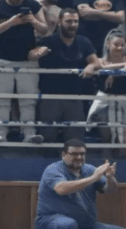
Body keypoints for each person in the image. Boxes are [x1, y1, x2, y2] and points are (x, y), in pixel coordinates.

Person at [35, 139, 126, 229]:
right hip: (50, 222)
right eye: (74, 154)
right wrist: (94, 178)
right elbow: (61, 189)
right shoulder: (53, 169)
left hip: (84, 226)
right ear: (63, 154)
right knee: (68, 225)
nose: (79, 157)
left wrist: (110, 177)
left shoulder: (89, 169)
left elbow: (110, 190)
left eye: (82, 154)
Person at [0, 0, 49, 143]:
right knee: (1, 99)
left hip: (27, 60)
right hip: (1, 59)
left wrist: (33, 20)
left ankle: (29, 133)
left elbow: (45, 29)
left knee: (28, 100)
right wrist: (10, 23)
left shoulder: (33, 5)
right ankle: (1, 132)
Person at [30, 8, 99, 143]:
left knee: (75, 139)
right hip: (50, 98)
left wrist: (91, 66)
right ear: (59, 22)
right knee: (47, 138)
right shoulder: (48, 41)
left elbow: (96, 61)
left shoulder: (84, 42)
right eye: (69, 21)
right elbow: (31, 55)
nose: (73, 25)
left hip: (74, 97)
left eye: (76, 21)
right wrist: (37, 53)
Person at [87, 30, 126, 150]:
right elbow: (102, 66)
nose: (120, 48)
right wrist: (122, 67)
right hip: (104, 102)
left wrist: (114, 74)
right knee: (106, 140)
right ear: (108, 44)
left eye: (122, 45)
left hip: (124, 101)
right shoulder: (101, 60)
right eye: (116, 44)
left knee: (125, 142)